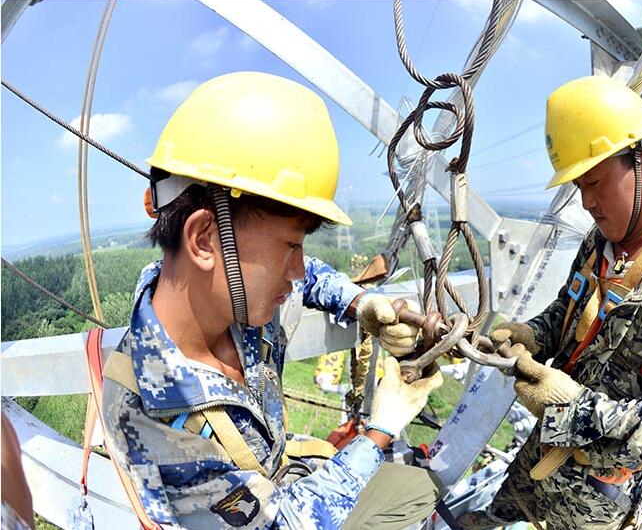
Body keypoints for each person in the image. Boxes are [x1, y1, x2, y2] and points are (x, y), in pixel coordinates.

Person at [101, 72, 443, 529]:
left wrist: (361, 303)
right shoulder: (148, 417)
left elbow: (309, 279)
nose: (299, 268)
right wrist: (380, 430)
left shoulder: (229, 298)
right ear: (204, 238)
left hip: (289, 476)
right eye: (290, 246)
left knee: (423, 492)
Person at [459, 75, 642, 529]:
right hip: (542, 459)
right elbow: (570, 312)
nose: (586, 202)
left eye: (594, 183)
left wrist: (574, 408)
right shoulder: (601, 240)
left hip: (598, 499)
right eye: (578, 187)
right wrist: (534, 333)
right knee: (492, 520)